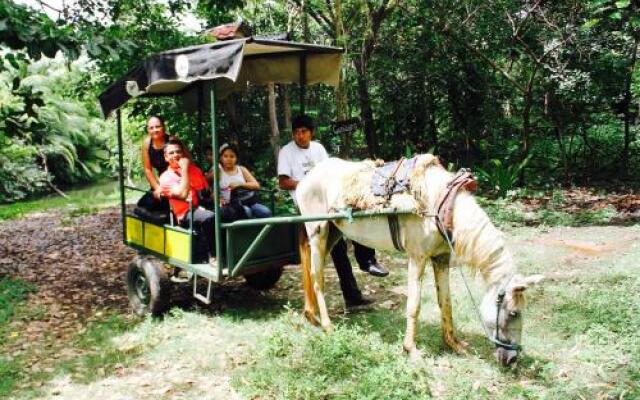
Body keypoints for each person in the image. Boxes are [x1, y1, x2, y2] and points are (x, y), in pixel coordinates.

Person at [277, 114, 388, 308]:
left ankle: (367, 260)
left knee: (352, 212)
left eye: (303, 132)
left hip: (326, 200)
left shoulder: (318, 149)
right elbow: (283, 182)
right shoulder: (287, 152)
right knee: (339, 249)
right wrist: (307, 185)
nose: (299, 136)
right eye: (296, 132)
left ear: (311, 133)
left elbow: (329, 174)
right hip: (306, 203)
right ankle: (351, 296)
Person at [158, 138, 215, 262]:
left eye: (178, 152)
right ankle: (213, 256)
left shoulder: (195, 170)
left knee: (234, 211)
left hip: (202, 206)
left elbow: (207, 192)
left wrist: (218, 198)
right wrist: (184, 169)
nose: (176, 155)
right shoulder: (165, 178)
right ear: (166, 157)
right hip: (185, 213)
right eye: (171, 153)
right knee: (209, 217)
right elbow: (183, 194)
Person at [218, 143, 272, 218]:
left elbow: (256, 185)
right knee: (247, 212)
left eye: (232, 156)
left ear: (236, 158)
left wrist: (240, 184)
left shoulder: (241, 169)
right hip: (232, 205)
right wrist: (218, 198)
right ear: (221, 158)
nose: (228, 159)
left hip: (249, 200)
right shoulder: (218, 172)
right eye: (225, 156)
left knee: (266, 212)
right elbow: (210, 189)